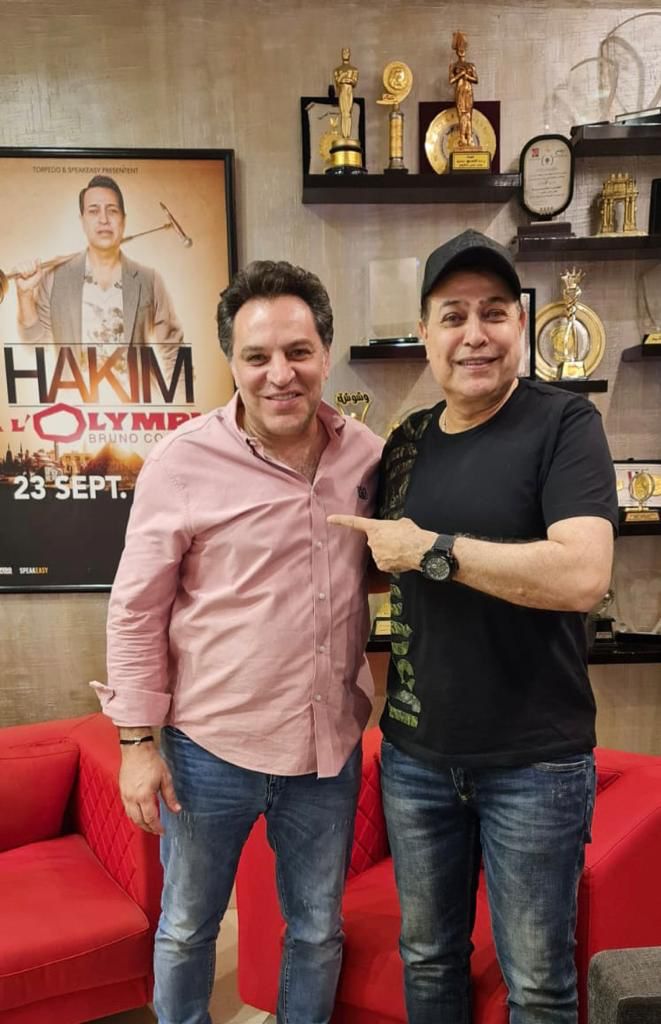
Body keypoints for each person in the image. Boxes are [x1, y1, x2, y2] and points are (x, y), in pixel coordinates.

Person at [329, 229, 618, 1024]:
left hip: (534, 761)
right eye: (452, 316)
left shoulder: (564, 424)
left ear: (520, 323)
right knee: (427, 960)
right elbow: (377, 561)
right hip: (415, 757)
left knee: (538, 983)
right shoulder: (406, 441)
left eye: (493, 312)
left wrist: (434, 551)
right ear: (424, 333)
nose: (474, 334)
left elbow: (582, 575)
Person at [91, 258, 383, 1024]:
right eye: (258, 356)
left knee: (316, 930)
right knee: (188, 927)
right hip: (207, 751)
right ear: (232, 361)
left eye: (298, 351)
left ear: (326, 352)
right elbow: (135, 609)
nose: (280, 374)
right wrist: (135, 743)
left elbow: (380, 566)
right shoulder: (181, 462)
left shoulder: (367, 455)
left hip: (326, 750)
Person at [13, 174, 182, 371]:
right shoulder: (53, 278)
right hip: (74, 391)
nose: (104, 219)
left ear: (124, 220)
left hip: (137, 391)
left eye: (112, 211)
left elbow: (174, 353)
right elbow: (35, 348)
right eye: (93, 211)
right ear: (82, 220)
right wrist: (25, 295)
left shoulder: (150, 280)